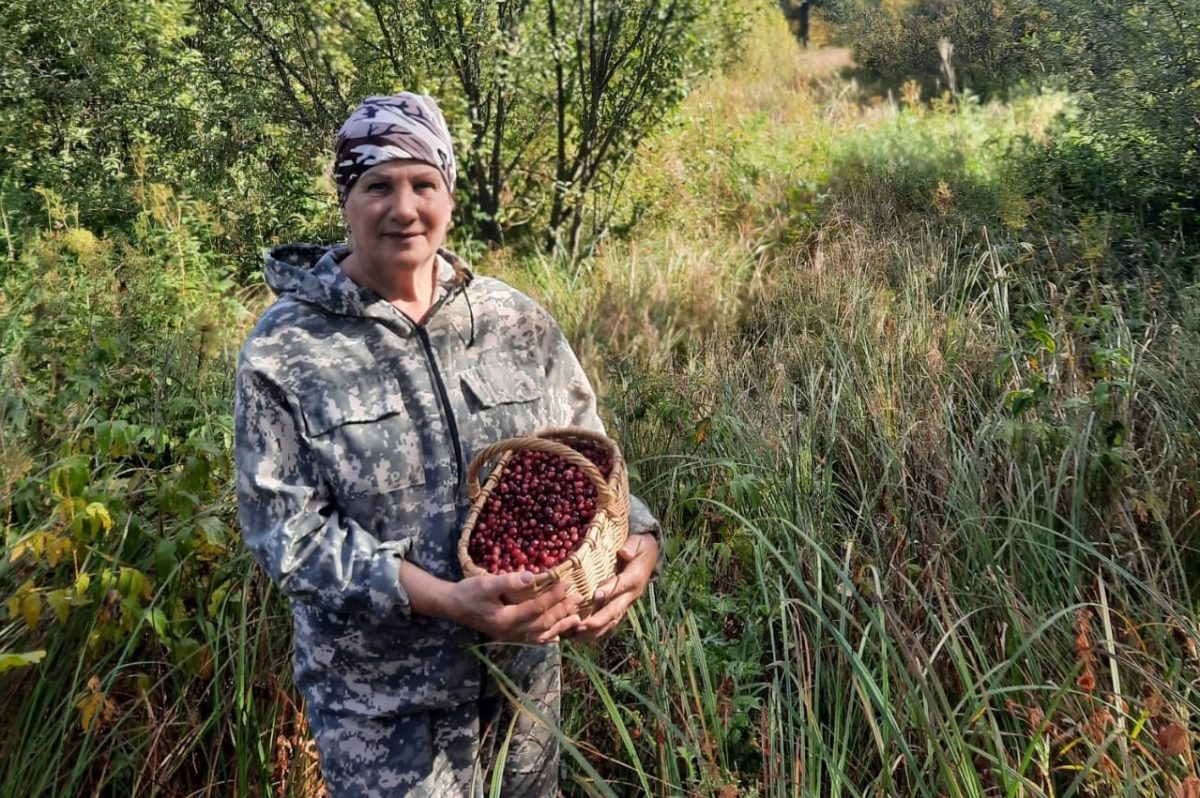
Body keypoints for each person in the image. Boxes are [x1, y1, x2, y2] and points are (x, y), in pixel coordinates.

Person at [233, 93, 662, 797]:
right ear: (346, 199)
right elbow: (288, 538)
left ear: (449, 195)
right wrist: (443, 599)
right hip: (384, 713)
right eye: (378, 185)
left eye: (423, 183)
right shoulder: (285, 350)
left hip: (522, 690)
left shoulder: (512, 321)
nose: (403, 207)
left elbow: (587, 467)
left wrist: (640, 543)